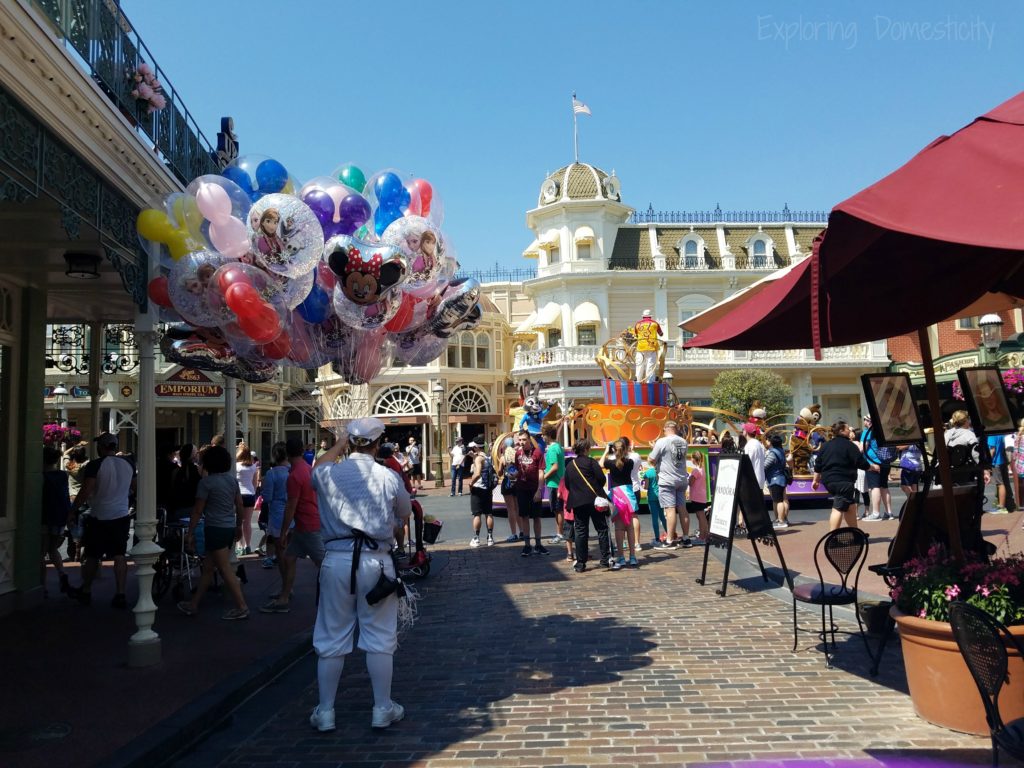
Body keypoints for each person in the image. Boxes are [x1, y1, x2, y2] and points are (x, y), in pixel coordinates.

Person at [308, 417, 411, 732]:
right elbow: (404, 513)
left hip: (336, 560)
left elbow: (316, 469)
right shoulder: (388, 476)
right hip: (376, 561)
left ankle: (325, 710)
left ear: (350, 443)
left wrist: (339, 444)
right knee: (379, 635)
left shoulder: (329, 473)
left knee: (331, 635)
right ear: (378, 444)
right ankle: (382, 707)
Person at [177, 444, 250, 619]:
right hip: (228, 527)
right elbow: (239, 505)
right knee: (208, 568)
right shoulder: (232, 481)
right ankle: (194, 604)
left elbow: (197, 510)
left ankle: (242, 606)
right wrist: (239, 525)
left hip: (214, 527)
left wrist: (190, 532)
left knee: (224, 569)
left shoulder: (206, 483)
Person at [66, 433, 136, 608]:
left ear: (102, 447)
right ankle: (120, 593)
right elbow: (135, 487)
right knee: (120, 554)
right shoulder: (128, 463)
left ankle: (86, 589)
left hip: (99, 515)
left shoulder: (95, 465)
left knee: (92, 555)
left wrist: (73, 509)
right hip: (121, 514)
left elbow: (86, 490)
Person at [261, 438, 325, 613]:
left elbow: (291, 506)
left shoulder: (295, 476)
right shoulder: (306, 469)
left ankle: (342, 598)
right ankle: (284, 596)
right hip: (305, 524)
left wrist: (283, 532)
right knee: (289, 558)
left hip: (307, 525)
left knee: (325, 564)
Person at [812, 420, 879, 530]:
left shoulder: (825, 446)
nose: (850, 430)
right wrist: (873, 467)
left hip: (829, 481)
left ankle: (855, 533)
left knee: (850, 506)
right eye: (848, 429)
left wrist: (816, 480)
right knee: (838, 508)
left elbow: (818, 465)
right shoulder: (850, 445)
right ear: (842, 431)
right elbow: (861, 463)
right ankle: (832, 537)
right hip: (843, 481)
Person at [564, 437, 615, 572]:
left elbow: (568, 484)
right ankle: (605, 559)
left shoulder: (570, 465)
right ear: (586, 449)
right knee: (602, 529)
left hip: (578, 502)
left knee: (581, 531)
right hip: (595, 500)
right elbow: (601, 479)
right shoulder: (591, 462)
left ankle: (581, 563)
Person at [647, 421, 689, 549]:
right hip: (681, 478)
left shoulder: (662, 441)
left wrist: (653, 449)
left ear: (665, 429)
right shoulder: (683, 441)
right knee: (682, 508)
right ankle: (686, 538)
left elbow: (651, 459)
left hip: (667, 480)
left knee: (670, 509)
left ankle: (670, 540)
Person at [603, 439, 638, 567]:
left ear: (614, 449)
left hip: (617, 495)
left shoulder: (610, 463)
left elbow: (601, 463)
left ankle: (621, 557)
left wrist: (606, 451)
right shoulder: (630, 462)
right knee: (630, 527)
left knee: (618, 528)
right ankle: (633, 556)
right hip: (628, 494)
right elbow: (628, 458)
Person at [42, 446, 70, 596]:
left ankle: (43, 586)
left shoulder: (42, 476)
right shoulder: (62, 475)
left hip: (45, 517)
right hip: (59, 517)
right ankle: (62, 573)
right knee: (53, 549)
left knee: (41, 552)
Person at [514, 430, 548, 556]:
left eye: (524, 439)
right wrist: (513, 475)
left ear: (529, 440)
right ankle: (527, 545)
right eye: (520, 440)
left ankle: (538, 544)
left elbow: (541, 472)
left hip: (534, 489)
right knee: (524, 516)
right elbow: (518, 470)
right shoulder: (518, 454)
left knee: (537, 517)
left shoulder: (537, 453)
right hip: (522, 489)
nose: (521, 442)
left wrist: (540, 490)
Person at [260, 442, 291, 570]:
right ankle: (289, 583)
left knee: (281, 550)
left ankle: (286, 584)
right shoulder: (292, 472)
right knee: (289, 551)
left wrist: (263, 489)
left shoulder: (271, 474)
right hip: (292, 515)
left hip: (277, 515)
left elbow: (267, 497)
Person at [468, 442, 495, 548]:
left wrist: (471, 483)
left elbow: (478, 473)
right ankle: (490, 537)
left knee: (477, 514)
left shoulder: (478, 459)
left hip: (478, 488)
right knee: (489, 513)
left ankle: (476, 538)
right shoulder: (487, 456)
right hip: (488, 488)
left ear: (475, 447)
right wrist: (474, 457)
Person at [542, 425, 566, 545]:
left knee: (558, 510)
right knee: (559, 510)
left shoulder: (552, 449)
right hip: (559, 482)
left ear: (547, 436)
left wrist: (544, 477)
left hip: (554, 483)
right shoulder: (558, 447)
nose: (542, 437)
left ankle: (560, 534)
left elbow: (554, 467)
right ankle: (560, 532)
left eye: (543, 434)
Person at [236, 443, 259, 554]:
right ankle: (248, 545)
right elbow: (255, 483)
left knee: (239, 522)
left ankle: (240, 546)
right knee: (247, 522)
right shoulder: (253, 467)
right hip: (250, 494)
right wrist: (253, 493)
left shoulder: (236, 466)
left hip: (239, 495)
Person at [764, 433, 790, 528]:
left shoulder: (773, 453)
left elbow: (765, 465)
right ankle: (780, 519)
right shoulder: (780, 451)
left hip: (775, 479)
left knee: (778, 501)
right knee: (779, 500)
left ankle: (781, 521)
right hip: (780, 478)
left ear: (771, 442)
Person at [498, 437, 521, 542]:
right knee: (517, 508)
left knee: (510, 509)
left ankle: (513, 533)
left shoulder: (503, 458)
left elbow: (499, 472)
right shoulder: (517, 455)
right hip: (517, 483)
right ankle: (522, 531)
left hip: (507, 483)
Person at [631, 309, 663, 383]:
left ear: (643, 316)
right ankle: (650, 381)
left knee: (639, 364)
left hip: (641, 347)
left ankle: (638, 381)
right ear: (650, 316)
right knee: (650, 365)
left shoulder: (638, 324)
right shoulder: (655, 324)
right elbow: (661, 334)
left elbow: (635, 335)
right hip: (652, 346)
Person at [686, 451, 711, 543]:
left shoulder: (695, 470)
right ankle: (705, 534)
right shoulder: (702, 469)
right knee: (701, 516)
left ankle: (702, 536)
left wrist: (687, 479)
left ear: (694, 459)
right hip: (701, 495)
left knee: (700, 516)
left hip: (697, 496)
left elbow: (691, 482)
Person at [642, 463, 667, 547]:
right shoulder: (660, 471)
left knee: (654, 518)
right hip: (661, 496)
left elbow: (646, 486)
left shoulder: (648, 473)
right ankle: (670, 535)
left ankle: (657, 538)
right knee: (663, 517)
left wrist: (643, 486)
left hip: (652, 497)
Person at [987, 433, 1011, 513]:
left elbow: (992, 450)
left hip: (996, 462)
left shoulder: (991, 435)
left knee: (1000, 484)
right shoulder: (1000, 434)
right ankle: (1006, 504)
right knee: (1004, 483)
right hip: (1002, 461)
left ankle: (1001, 507)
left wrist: (988, 463)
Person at [742, 423, 767, 491]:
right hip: (760, 480)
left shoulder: (749, 445)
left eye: (743, 429)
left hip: (752, 481)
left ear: (746, 432)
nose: (742, 431)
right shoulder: (759, 444)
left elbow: (747, 464)